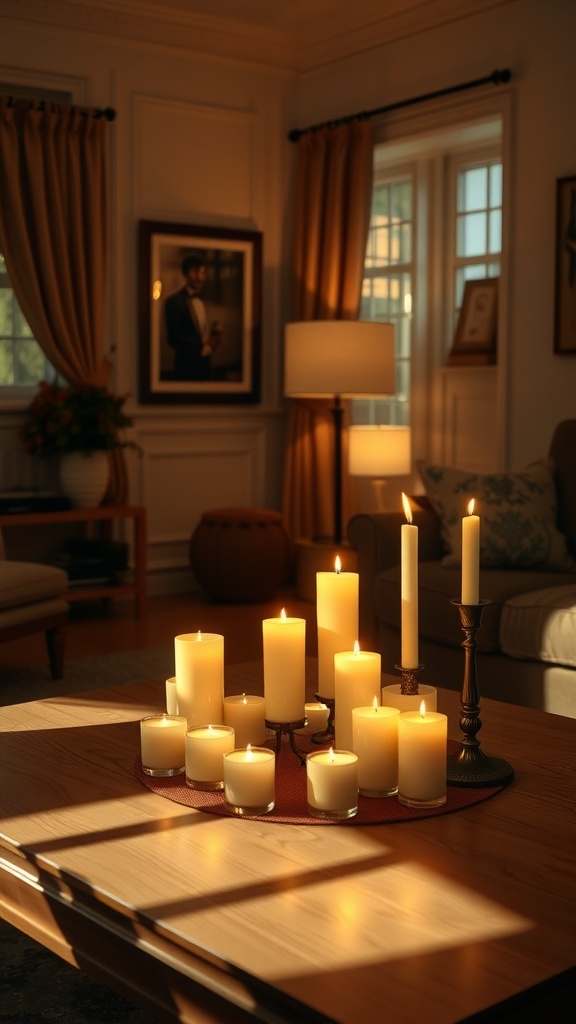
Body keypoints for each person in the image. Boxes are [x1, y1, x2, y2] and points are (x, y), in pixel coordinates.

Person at [164, 254, 222, 380]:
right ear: (185, 274)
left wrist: (213, 339)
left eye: (203, 273)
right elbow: (173, 338)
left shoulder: (203, 300)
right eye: (196, 272)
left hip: (206, 367)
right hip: (186, 368)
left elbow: (202, 331)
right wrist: (203, 346)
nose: (200, 277)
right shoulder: (173, 302)